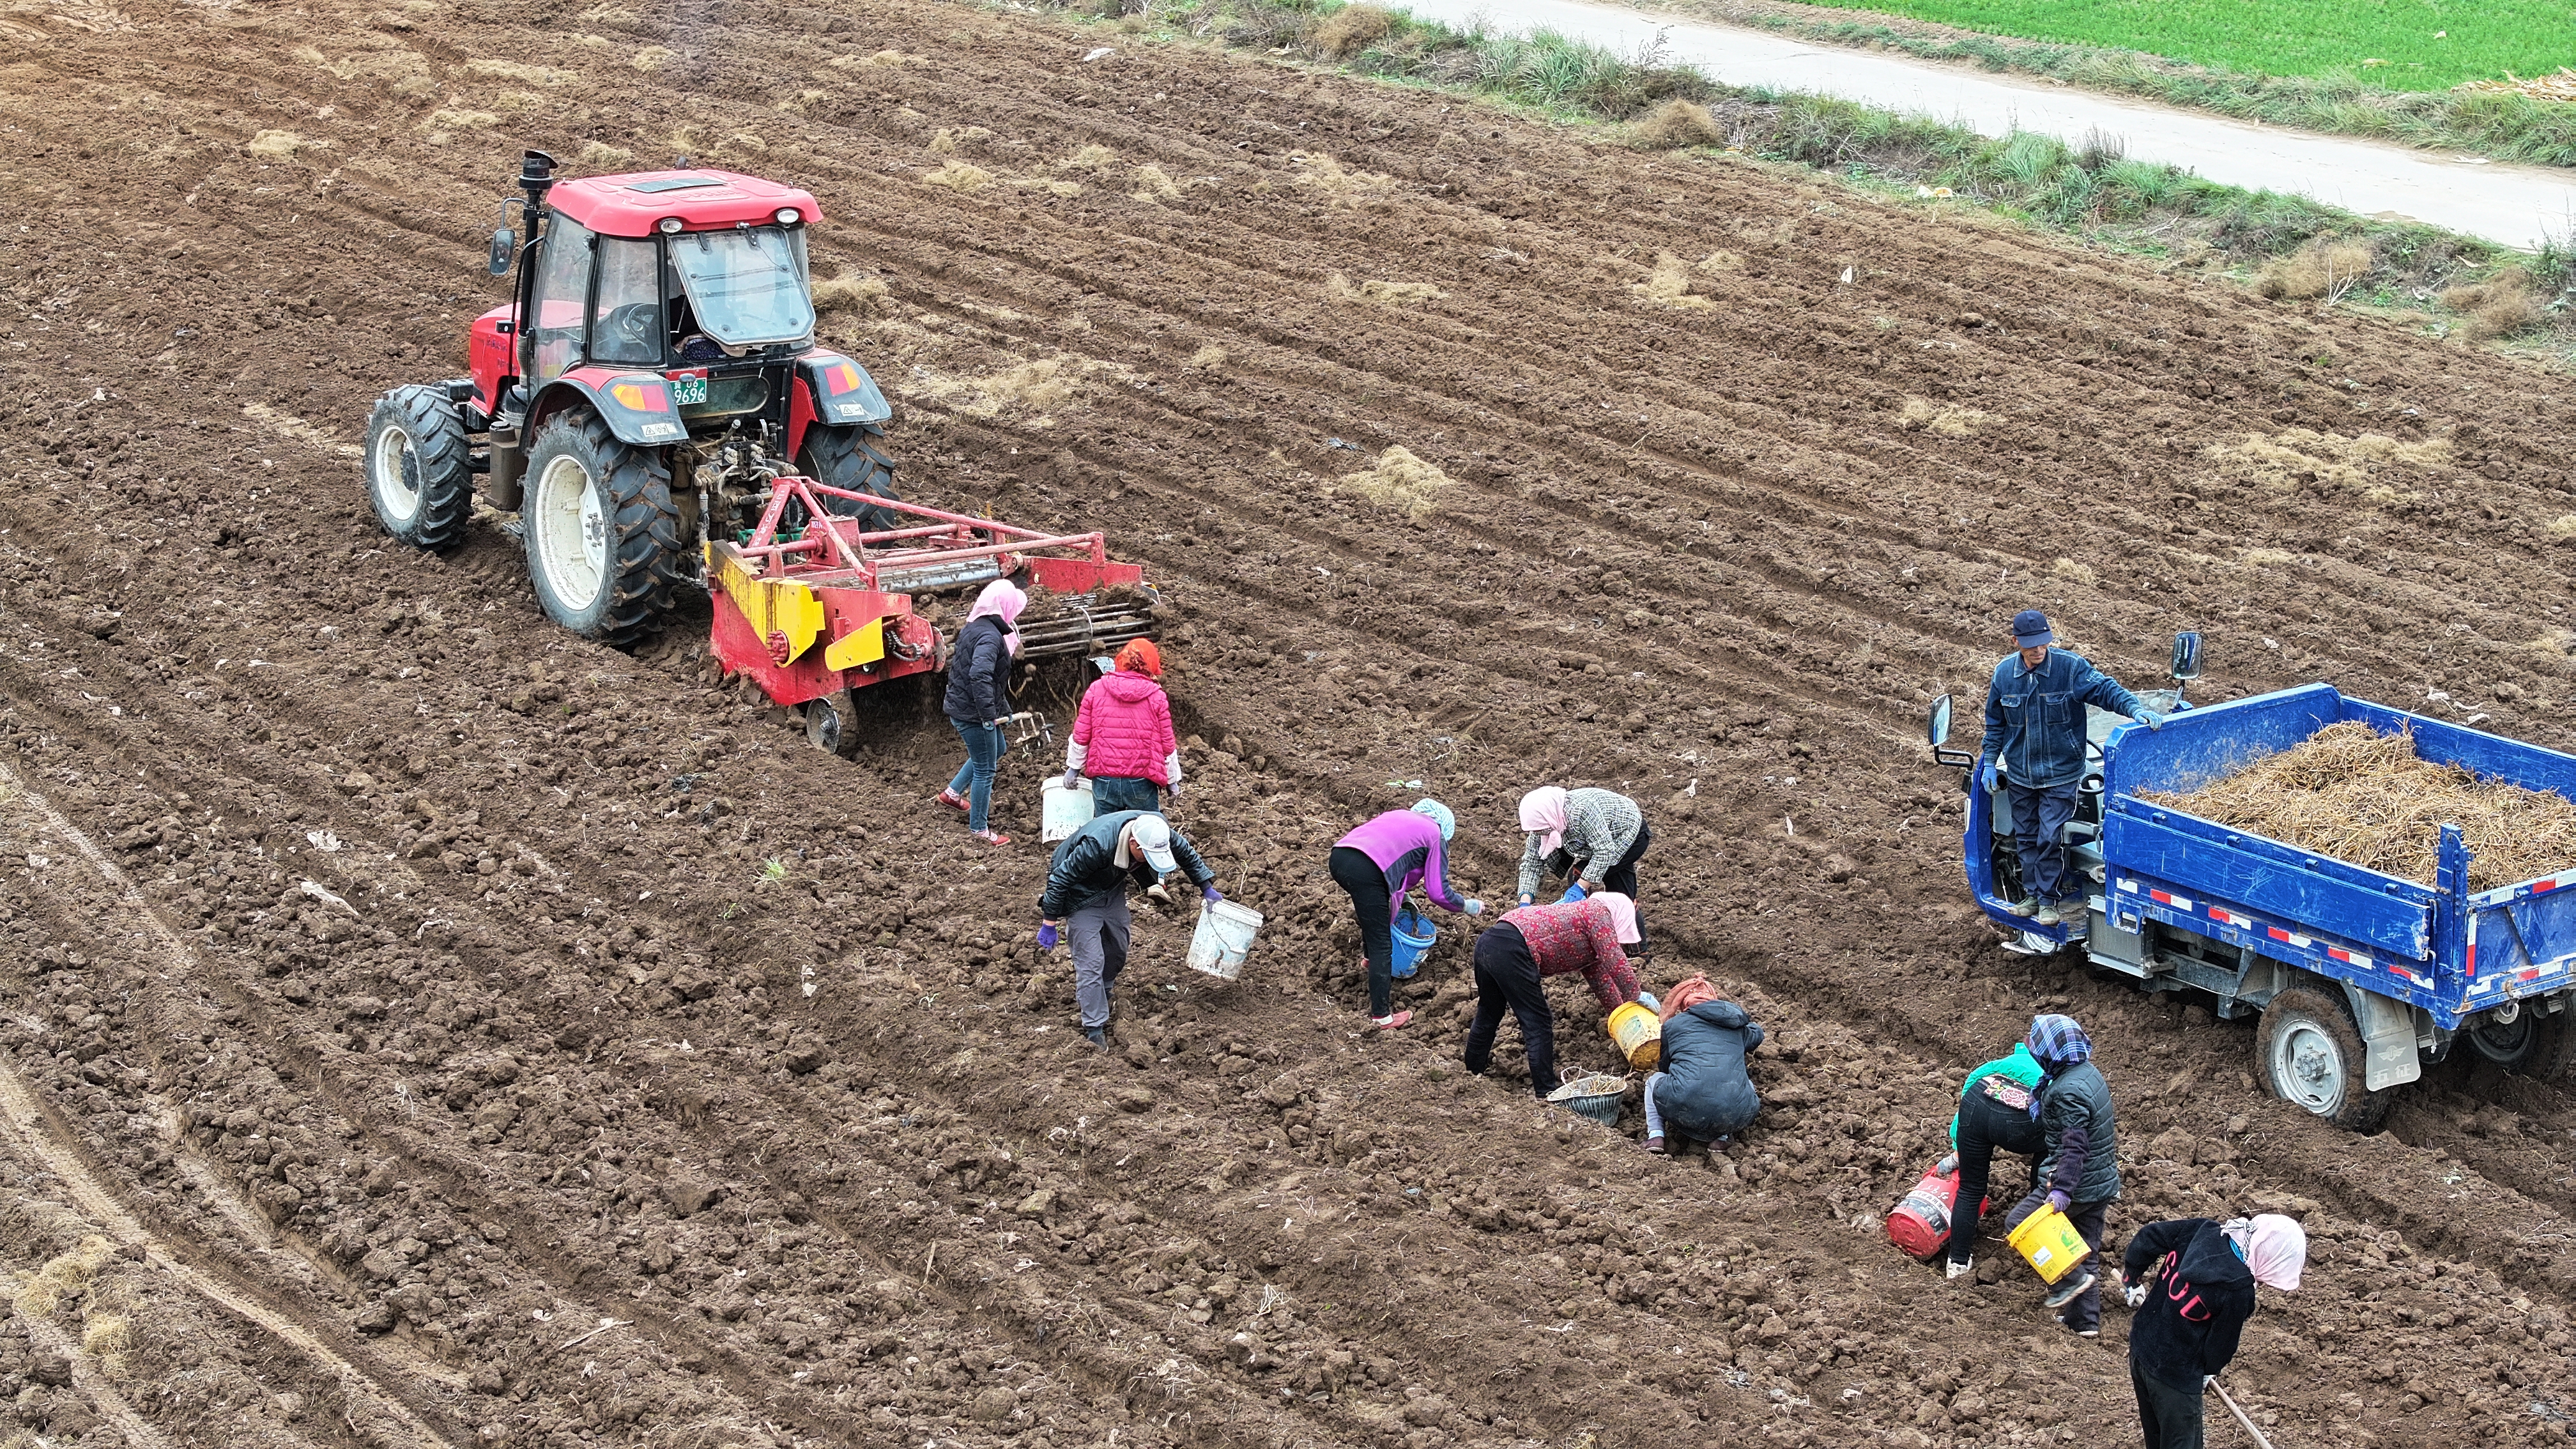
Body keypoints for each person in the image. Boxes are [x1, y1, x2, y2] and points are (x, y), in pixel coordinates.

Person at [1976, 609, 2161, 927]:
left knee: (2049, 836)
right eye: (2031, 645)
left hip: (2061, 773)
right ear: (2015, 641)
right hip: (2021, 773)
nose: (2038, 650)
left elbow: (2105, 690)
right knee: (2026, 836)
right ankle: (2032, 896)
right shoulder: (2004, 675)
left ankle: (2048, 901)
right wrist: (1990, 762)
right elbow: (1996, 725)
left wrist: (2134, 709)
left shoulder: (2070, 668)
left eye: (2044, 643)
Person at [2122, 1214, 2306, 1449]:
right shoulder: (2238, 1290)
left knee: (2156, 1438)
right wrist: (2209, 1370)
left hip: (2141, 1346)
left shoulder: (2202, 1229)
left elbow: (2149, 1236)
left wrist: (2132, 1279)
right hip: (2176, 1377)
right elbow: (2221, 1345)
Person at [1037, 809, 1219, 1046]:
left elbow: (1185, 853)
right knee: (1091, 962)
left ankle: (1105, 987)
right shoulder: (1097, 846)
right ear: (1134, 843)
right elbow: (1060, 879)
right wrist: (1049, 922)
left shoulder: (1156, 829)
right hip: (1078, 893)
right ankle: (1094, 1026)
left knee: (1118, 947)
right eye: (1147, 856)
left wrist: (1206, 887)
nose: (1150, 860)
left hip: (1110, 885)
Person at [2000, 1013, 2121, 1337]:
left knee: (2018, 1222)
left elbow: (2074, 1148)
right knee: (2087, 1251)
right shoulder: (2087, 1073)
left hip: (2075, 1184)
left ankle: (2071, 1281)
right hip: (2101, 1182)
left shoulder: (2067, 1091)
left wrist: (2062, 1190)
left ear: (2049, 1054)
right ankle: (2085, 1325)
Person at [1462, 892, 1642, 1096]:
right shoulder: (1598, 914)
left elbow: (1602, 982)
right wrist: (1636, 998)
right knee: (1538, 1022)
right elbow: (1615, 961)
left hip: (1489, 941)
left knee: (1489, 1012)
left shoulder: (1585, 922)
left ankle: (1471, 1073)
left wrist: (1623, 1017)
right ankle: (1546, 1092)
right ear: (1621, 914)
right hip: (1514, 947)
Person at [1328, 801, 1483, 1031]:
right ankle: (1381, 1018)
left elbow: (1397, 875)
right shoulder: (1436, 835)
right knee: (1383, 944)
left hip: (1340, 856)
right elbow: (1438, 892)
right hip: (1369, 870)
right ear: (1445, 828)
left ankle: (1369, 961)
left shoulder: (1400, 816)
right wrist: (1466, 905)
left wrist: (1402, 903)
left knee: (1372, 914)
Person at [1938, 1039, 2048, 1279]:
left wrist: (1960, 1150)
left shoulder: (1995, 1066)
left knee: (1970, 1188)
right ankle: (2037, 1209)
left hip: (1977, 1105)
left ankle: (1957, 1264)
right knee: (2048, 1151)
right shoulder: (2050, 1071)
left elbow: (1969, 1091)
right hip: (2023, 1126)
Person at [938, 579, 1025, 845]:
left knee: (997, 748)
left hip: (964, 707)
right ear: (1004, 607)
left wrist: (1004, 710)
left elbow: (988, 681)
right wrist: (988, 716)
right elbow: (978, 675)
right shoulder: (990, 636)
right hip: (972, 714)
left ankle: (952, 794)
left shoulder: (976, 626)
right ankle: (979, 830)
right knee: (986, 769)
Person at [1516, 786, 1652, 951]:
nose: (1538, 834)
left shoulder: (1581, 812)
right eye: (1535, 830)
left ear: (1549, 817)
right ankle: (1598, 936)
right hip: (1591, 841)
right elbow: (1531, 863)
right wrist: (1525, 902)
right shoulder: (1545, 821)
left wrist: (1579, 888)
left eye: (1541, 830)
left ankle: (1598, 939)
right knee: (1622, 894)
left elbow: (1604, 851)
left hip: (1628, 834)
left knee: (1582, 878)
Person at [1640, 975, 1762, 1153]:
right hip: (1734, 1115)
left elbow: (1665, 1066)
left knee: (1655, 1080)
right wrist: (1741, 1026)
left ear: (1684, 1004)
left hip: (1684, 1105)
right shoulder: (1736, 1027)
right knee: (1745, 1085)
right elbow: (1757, 1034)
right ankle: (1722, 1138)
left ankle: (1656, 1137)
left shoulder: (1673, 1025)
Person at [1062, 638, 1183, 815]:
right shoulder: (1156, 696)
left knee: (1105, 831)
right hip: (1142, 780)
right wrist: (1172, 780)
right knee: (1144, 832)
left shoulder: (1096, 689)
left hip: (1104, 780)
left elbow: (1081, 734)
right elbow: (1167, 744)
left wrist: (1073, 769)